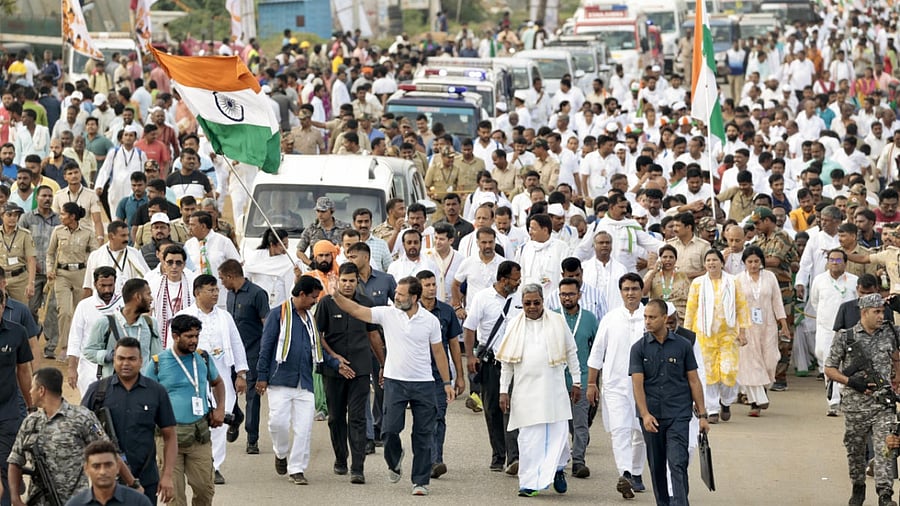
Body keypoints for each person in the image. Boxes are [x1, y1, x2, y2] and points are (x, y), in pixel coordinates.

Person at [331, 275, 456, 496]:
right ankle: (395, 460)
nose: (395, 297)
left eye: (400, 294)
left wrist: (447, 383)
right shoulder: (387, 313)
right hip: (395, 382)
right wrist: (336, 295)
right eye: (396, 293)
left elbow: (439, 352)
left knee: (423, 434)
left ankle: (420, 481)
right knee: (389, 431)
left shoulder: (430, 321)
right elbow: (357, 310)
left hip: (424, 384)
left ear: (414, 297)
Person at [495, 283, 580, 497]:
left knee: (557, 436)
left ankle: (558, 470)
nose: (532, 307)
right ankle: (530, 483)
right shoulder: (514, 324)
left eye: (536, 302)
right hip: (525, 391)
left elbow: (571, 353)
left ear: (543, 301)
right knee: (528, 439)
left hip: (553, 390)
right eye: (527, 303)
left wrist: (577, 382)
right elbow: (506, 363)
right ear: (521, 304)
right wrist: (503, 390)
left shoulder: (558, 321)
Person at [7, 368, 136, 505]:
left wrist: (133, 484)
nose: (29, 391)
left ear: (41, 390)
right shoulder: (31, 422)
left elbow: (109, 453)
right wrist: (15, 498)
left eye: (33, 387)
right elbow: (15, 460)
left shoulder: (81, 417)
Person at [630, 299, 711, 506]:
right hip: (652, 418)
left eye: (652, 317)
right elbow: (637, 385)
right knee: (657, 467)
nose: (647, 321)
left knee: (678, 462)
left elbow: (694, 380)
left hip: (678, 414)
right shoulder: (638, 348)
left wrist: (702, 415)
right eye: (645, 317)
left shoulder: (683, 346)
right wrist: (645, 414)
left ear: (665, 319)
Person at [80, 338, 177, 504]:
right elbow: (79, 430)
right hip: (107, 481)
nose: (125, 363)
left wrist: (167, 476)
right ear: (114, 359)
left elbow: (170, 436)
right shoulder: (98, 391)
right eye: (120, 358)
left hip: (146, 477)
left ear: (141, 361)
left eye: (131, 359)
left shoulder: (156, 392)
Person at [142, 314, 226, 506]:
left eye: (196, 336)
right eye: (189, 336)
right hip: (169, 438)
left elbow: (218, 382)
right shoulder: (157, 363)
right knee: (175, 497)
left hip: (199, 436)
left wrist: (220, 408)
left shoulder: (203, 358)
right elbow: (145, 397)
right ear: (175, 336)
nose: (194, 341)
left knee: (205, 489)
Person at [825, 293, 898, 506]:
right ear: (864, 313)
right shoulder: (845, 337)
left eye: (882, 311)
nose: (880, 316)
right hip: (855, 407)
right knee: (855, 452)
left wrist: (897, 378)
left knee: (886, 448)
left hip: (883, 405)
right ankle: (858, 487)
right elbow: (829, 369)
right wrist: (850, 382)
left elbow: (895, 356)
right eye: (876, 312)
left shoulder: (889, 333)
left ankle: (885, 495)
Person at [175, 274, 248, 484]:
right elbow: (172, 347)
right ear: (197, 292)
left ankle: (213, 466)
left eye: (217, 290)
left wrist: (241, 373)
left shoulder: (225, 317)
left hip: (221, 374)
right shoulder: (183, 315)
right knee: (195, 422)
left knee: (220, 420)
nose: (216, 293)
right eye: (211, 290)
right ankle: (193, 463)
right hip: (192, 377)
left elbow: (237, 343)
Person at [316, 263, 382, 483]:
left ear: (357, 281)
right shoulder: (326, 303)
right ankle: (341, 458)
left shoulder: (366, 304)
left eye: (352, 280)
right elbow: (318, 336)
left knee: (357, 417)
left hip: (360, 370)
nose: (347, 284)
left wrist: (383, 364)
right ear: (337, 279)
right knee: (335, 417)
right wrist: (334, 358)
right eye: (344, 280)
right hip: (334, 371)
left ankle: (358, 467)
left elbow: (374, 336)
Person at [256, 276, 324, 486]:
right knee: (278, 423)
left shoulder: (309, 318)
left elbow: (316, 347)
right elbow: (266, 347)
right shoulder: (278, 314)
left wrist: (335, 361)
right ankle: (281, 452)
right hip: (280, 379)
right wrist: (261, 376)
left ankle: (297, 469)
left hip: (305, 382)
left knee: (304, 429)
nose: (315, 301)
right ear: (302, 294)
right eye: (313, 297)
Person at [587, 272, 648, 498]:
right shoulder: (611, 318)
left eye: (634, 289)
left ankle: (637, 471)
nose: (630, 293)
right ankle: (626, 474)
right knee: (620, 430)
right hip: (615, 384)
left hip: (645, 386)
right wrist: (591, 383)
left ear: (642, 291)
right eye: (626, 289)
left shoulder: (649, 317)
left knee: (640, 432)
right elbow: (597, 353)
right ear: (620, 292)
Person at [463, 261, 522, 473]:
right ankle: (499, 455)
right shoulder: (482, 298)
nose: (518, 282)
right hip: (491, 363)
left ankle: (514, 456)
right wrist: (470, 356)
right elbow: (469, 328)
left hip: (516, 364)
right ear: (503, 280)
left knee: (513, 409)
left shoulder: (521, 298)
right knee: (492, 409)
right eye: (515, 279)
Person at [684, 249, 750, 424]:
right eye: (708, 260)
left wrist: (742, 332)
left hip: (728, 335)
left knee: (728, 372)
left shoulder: (733, 281)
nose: (711, 263)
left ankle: (726, 402)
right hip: (704, 335)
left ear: (722, 262)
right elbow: (691, 310)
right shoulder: (698, 283)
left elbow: (742, 307)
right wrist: (687, 335)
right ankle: (712, 409)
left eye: (715, 260)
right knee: (708, 373)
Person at [415, 270, 465, 480]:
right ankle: (423, 459)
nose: (431, 288)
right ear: (418, 288)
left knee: (438, 417)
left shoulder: (445, 311)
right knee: (421, 420)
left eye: (433, 284)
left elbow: (454, 344)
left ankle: (436, 460)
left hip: (439, 375)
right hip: (415, 374)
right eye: (426, 285)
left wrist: (459, 376)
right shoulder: (410, 311)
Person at [220, 259, 270, 455]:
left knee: (252, 396)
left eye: (223, 278)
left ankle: (252, 438)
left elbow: (266, 324)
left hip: (252, 352)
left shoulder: (257, 294)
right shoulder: (230, 295)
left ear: (232, 276)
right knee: (228, 391)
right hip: (231, 353)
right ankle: (235, 417)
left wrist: (266, 354)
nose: (221, 283)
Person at [736, 246, 790, 417]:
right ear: (744, 263)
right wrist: (740, 331)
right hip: (746, 326)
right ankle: (756, 402)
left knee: (770, 360)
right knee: (751, 363)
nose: (753, 265)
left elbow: (777, 302)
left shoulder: (770, 277)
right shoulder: (738, 280)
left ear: (761, 262)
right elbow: (735, 306)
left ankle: (762, 391)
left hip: (768, 325)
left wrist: (784, 324)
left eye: (756, 261)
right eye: (749, 262)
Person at [554, 277, 599, 479]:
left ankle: (579, 461)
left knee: (580, 423)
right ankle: (557, 462)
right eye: (563, 294)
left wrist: (593, 382)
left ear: (579, 295)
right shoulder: (552, 317)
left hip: (580, 379)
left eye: (571, 294)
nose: (567, 298)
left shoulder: (589, 319)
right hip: (555, 379)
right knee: (558, 424)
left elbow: (597, 351)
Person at [810, 248, 859, 416]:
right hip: (825, 328)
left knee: (847, 363)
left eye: (838, 260)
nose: (834, 263)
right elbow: (815, 301)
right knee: (826, 360)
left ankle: (843, 396)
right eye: (831, 259)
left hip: (849, 329)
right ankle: (833, 401)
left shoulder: (854, 281)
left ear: (845, 263)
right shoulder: (819, 280)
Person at [46, 202, 98, 359]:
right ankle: (65, 347)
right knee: (65, 312)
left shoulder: (88, 233)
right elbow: (50, 253)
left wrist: (91, 271)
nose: (60, 217)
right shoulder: (57, 231)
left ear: (72, 216)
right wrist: (50, 270)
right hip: (61, 274)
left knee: (81, 311)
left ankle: (83, 346)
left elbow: (95, 253)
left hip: (81, 275)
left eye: (63, 214)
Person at [82, 278, 162, 379]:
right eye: (148, 294)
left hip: (143, 388)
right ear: (137, 296)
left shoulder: (150, 323)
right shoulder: (105, 323)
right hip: (114, 387)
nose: (151, 299)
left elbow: (157, 357)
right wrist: (109, 355)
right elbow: (89, 351)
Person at [66, 267, 122, 396]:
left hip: (116, 363)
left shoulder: (123, 304)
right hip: (89, 365)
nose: (107, 290)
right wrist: (72, 368)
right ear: (95, 284)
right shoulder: (84, 306)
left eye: (110, 285)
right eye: (103, 285)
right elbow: (75, 337)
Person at [0, 288, 32, 506]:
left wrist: (31, 406)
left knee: (6, 466)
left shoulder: (17, 332)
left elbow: (23, 371)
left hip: (8, 412)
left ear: (3, 307)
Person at [65, 440, 154, 506]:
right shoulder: (75, 504)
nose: (103, 471)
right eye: (96, 466)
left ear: (118, 467)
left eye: (108, 465)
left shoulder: (138, 502)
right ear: (86, 469)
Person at [184, 211, 240, 307]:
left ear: (203, 226)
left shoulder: (223, 242)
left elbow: (237, 267)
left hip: (221, 299)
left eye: (193, 225)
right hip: (197, 300)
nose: (190, 228)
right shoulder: (188, 245)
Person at [82, 221, 149, 295]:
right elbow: (88, 286)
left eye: (127, 235)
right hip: (105, 301)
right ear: (111, 236)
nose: (127, 239)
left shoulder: (134, 253)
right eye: (123, 236)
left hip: (129, 300)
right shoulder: (96, 256)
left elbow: (147, 276)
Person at [147, 245, 194, 349]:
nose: (174, 266)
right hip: (161, 337)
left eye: (178, 263)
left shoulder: (193, 284)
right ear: (163, 264)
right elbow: (148, 313)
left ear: (184, 265)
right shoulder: (154, 285)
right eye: (170, 262)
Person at [0, 203, 36, 305]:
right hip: (1, 278)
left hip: (19, 279)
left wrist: (31, 283)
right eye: (9, 215)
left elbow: (31, 260)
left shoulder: (25, 234)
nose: (13, 218)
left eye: (16, 215)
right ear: (2, 215)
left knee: (21, 311)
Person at [644, 244, 690, 321]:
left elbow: (688, 297)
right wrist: (654, 272)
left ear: (675, 260)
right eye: (665, 257)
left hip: (679, 315)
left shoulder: (682, 275)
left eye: (671, 257)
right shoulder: (652, 274)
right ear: (660, 259)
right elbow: (644, 292)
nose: (668, 260)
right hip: (658, 315)